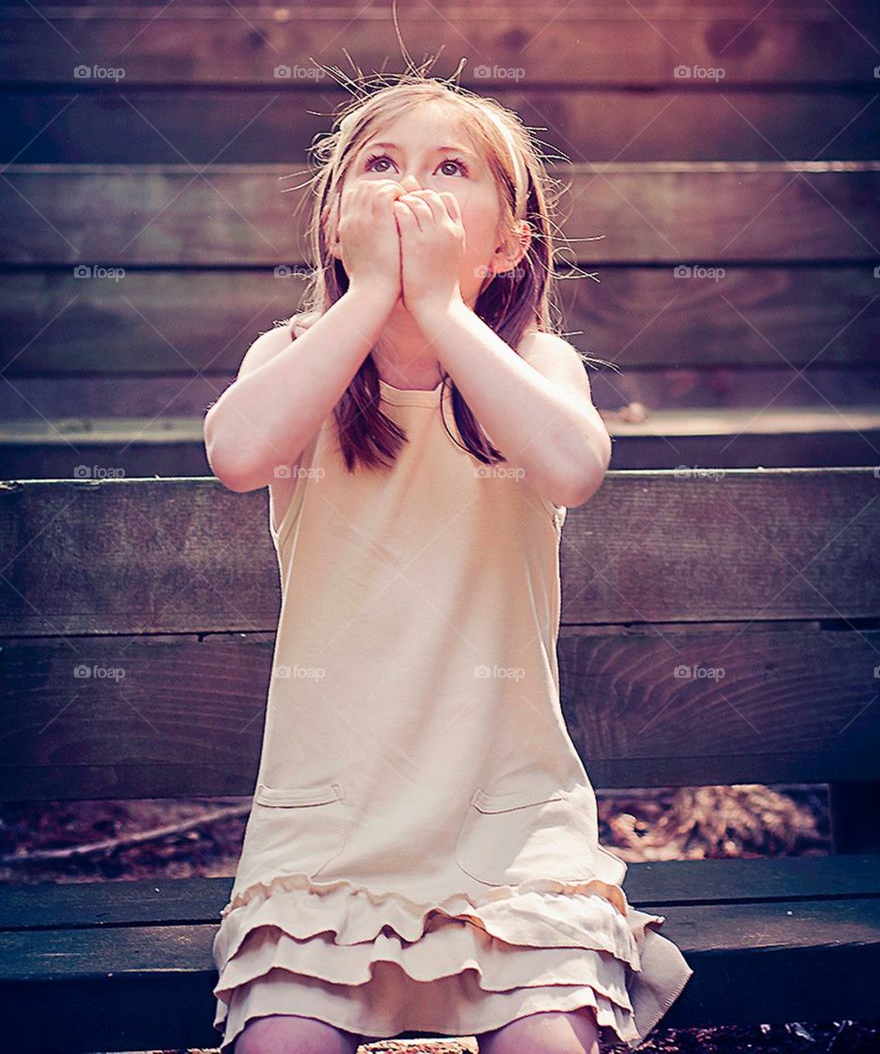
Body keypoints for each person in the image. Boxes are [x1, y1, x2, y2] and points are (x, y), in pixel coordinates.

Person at [205, 72, 694, 1054]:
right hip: (329, 830)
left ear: (509, 241)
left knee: (545, 1041)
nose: (409, 189)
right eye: (379, 165)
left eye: (449, 168)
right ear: (337, 214)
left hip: (507, 826)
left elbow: (571, 465)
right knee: (279, 1042)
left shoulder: (531, 368)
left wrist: (437, 304)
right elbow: (238, 453)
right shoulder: (293, 354)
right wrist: (378, 295)